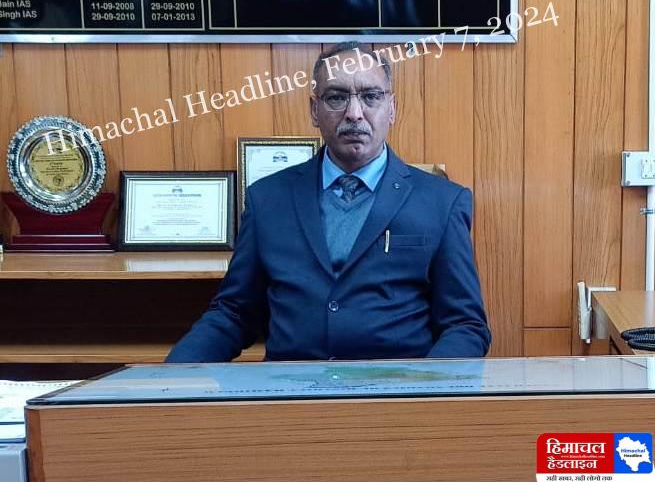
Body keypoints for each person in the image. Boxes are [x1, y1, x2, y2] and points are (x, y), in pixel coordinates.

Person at [166, 42, 491, 362]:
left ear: (391, 108)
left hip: (396, 387)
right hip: (291, 387)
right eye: (336, 97)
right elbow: (235, 313)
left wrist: (427, 387)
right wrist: (168, 378)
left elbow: (465, 326)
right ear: (314, 110)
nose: (354, 113)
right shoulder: (267, 200)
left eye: (371, 96)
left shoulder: (442, 203)